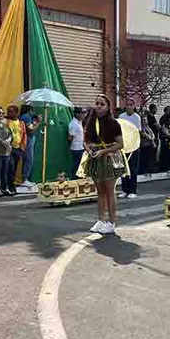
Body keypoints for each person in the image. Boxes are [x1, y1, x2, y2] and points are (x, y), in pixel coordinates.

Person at [84, 94, 125, 235]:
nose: (98, 106)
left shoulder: (113, 123)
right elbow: (86, 141)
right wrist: (89, 150)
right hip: (95, 159)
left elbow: (120, 144)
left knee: (109, 192)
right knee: (100, 192)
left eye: (102, 104)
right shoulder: (90, 122)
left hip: (108, 159)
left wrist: (103, 151)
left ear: (108, 107)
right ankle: (101, 219)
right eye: (97, 103)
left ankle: (112, 222)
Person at [118, 99, 142, 199]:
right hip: (123, 146)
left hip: (133, 146)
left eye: (130, 105)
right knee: (123, 168)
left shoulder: (136, 117)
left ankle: (132, 190)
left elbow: (137, 132)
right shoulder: (121, 116)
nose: (128, 106)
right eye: (127, 105)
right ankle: (125, 189)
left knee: (132, 169)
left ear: (134, 106)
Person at [5, 105, 26, 194]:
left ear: (16, 113)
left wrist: (22, 147)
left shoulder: (21, 122)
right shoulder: (6, 121)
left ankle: (11, 185)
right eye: (8, 111)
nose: (9, 113)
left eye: (11, 111)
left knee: (14, 168)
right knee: (10, 167)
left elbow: (24, 135)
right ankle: (9, 186)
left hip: (18, 148)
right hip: (9, 148)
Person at [19, 105, 40, 187]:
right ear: (29, 110)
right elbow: (31, 130)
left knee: (27, 159)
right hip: (28, 140)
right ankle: (25, 179)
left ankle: (26, 179)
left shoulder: (25, 117)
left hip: (28, 140)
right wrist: (38, 122)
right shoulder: (26, 117)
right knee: (28, 159)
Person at [67, 107, 86, 180]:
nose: (84, 115)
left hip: (81, 147)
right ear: (77, 114)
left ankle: (79, 179)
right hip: (76, 148)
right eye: (82, 113)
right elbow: (70, 138)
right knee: (76, 165)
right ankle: (74, 179)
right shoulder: (73, 124)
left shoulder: (79, 122)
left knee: (80, 165)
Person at [158, 105, 170, 172]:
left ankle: (169, 166)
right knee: (164, 153)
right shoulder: (163, 119)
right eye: (169, 110)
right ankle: (164, 167)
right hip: (165, 138)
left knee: (169, 154)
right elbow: (164, 130)